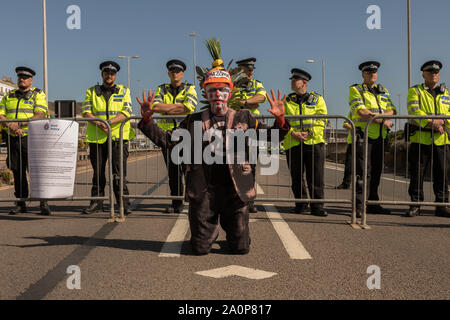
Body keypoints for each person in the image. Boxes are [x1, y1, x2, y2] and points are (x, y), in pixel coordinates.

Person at [137, 66, 289, 255]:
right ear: (205, 93)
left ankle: (239, 236)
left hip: (235, 193)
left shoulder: (245, 116)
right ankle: (206, 235)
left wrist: (280, 120)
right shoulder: (193, 121)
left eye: (222, 89)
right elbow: (168, 140)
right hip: (204, 192)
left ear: (230, 91)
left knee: (240, 248)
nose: (218, 94)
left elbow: (272, 137)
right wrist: (147, 121)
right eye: (212, 90)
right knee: (199, 249)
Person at [81, 61, 133, 215]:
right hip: (97, 138)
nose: (109, 76)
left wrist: (108, 123)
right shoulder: (91, 91)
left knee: (118, 173)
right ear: (102, 74)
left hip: (117, 138)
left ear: (115, 75)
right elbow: (86, 111)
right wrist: (99, 123)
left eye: (112, 73)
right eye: (106, 73)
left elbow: (126, 112)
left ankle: (123, 204)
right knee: (98, 173)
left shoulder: (124, 91)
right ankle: (96, 203)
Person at [349, 61, 396, 218]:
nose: (372, 74)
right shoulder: (356, 90)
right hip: (364, 136)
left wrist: (383, 117)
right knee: (363, 173)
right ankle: (360, 206)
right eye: (368, 72)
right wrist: (383, 120)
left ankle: (373, 203)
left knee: (376, 172)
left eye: (374, 72)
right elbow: (362, 111)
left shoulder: (384, 91)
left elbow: (392, 109)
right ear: (363, 74)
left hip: (380, 137)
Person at [0, 67, 50, 215]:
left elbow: (40, 114)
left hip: (31, 138)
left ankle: (43, 202)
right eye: (20, 77)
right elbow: (1, 114)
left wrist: (21, 124)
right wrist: (11, 125)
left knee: (36, 171)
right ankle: (21, 202)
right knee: (17, 170)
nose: (22, 79)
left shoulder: (38, 94)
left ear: (31, 80)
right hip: (13, 137)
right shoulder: (9, 96)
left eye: (25, 77)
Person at [152, 59, 197, 213]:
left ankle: (194, 203)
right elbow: (156, 106)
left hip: (186, 135)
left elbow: (189, 107)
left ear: (182, 73)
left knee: (189, 170)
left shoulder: (190, 88)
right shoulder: (161, 89)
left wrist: (167, 110)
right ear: (168, 73)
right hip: (168, 136)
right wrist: (178, 107)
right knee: (173, 172)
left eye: (177, 71)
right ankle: (177, 204)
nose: (175, 73)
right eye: (172, 71)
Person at [406, 60, 450, 217]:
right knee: (417, 174)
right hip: (420, 138)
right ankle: (415, 205)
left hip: (441, 139)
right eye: (431, 72)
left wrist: (442, 123)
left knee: (442, 174)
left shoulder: (447, 93)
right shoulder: (415, 91)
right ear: (423, 74)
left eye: (436, 72)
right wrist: (432, 122)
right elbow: (414, 111)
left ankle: (442, 205)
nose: (434, 74)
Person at [283, 68, 328, 216]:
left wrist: (309, 133)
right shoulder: (287, 100)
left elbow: (322, 119)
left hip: (314, 142)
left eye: (295, 80)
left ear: (304, 83)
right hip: (293, 143)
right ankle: (301, 204)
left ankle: (317, 207)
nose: (292, 82)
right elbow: (283, 121)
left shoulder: (317, 99)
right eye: (291, 80)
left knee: (316, 177)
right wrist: (293, 133)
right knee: (296, 176)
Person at [228, 57, 267, 213]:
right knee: (232, 165)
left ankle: (249, 200)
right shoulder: (232, 84)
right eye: (248, 69)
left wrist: (244, 102)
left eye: (252, 69)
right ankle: (234, 197)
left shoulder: (256, 84)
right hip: (233, 128)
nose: (251, 72)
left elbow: (261, 98)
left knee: (250, 166)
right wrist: (252, 102)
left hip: (251, 129)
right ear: (240, 70)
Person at [335, 112, 353, 190]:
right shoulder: (353, 112)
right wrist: (355, 128)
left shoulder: (372, 113)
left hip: (368, 142)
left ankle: (363, 185)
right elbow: (345, 124)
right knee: (349, 164)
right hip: (353, 142)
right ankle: (346, 183)